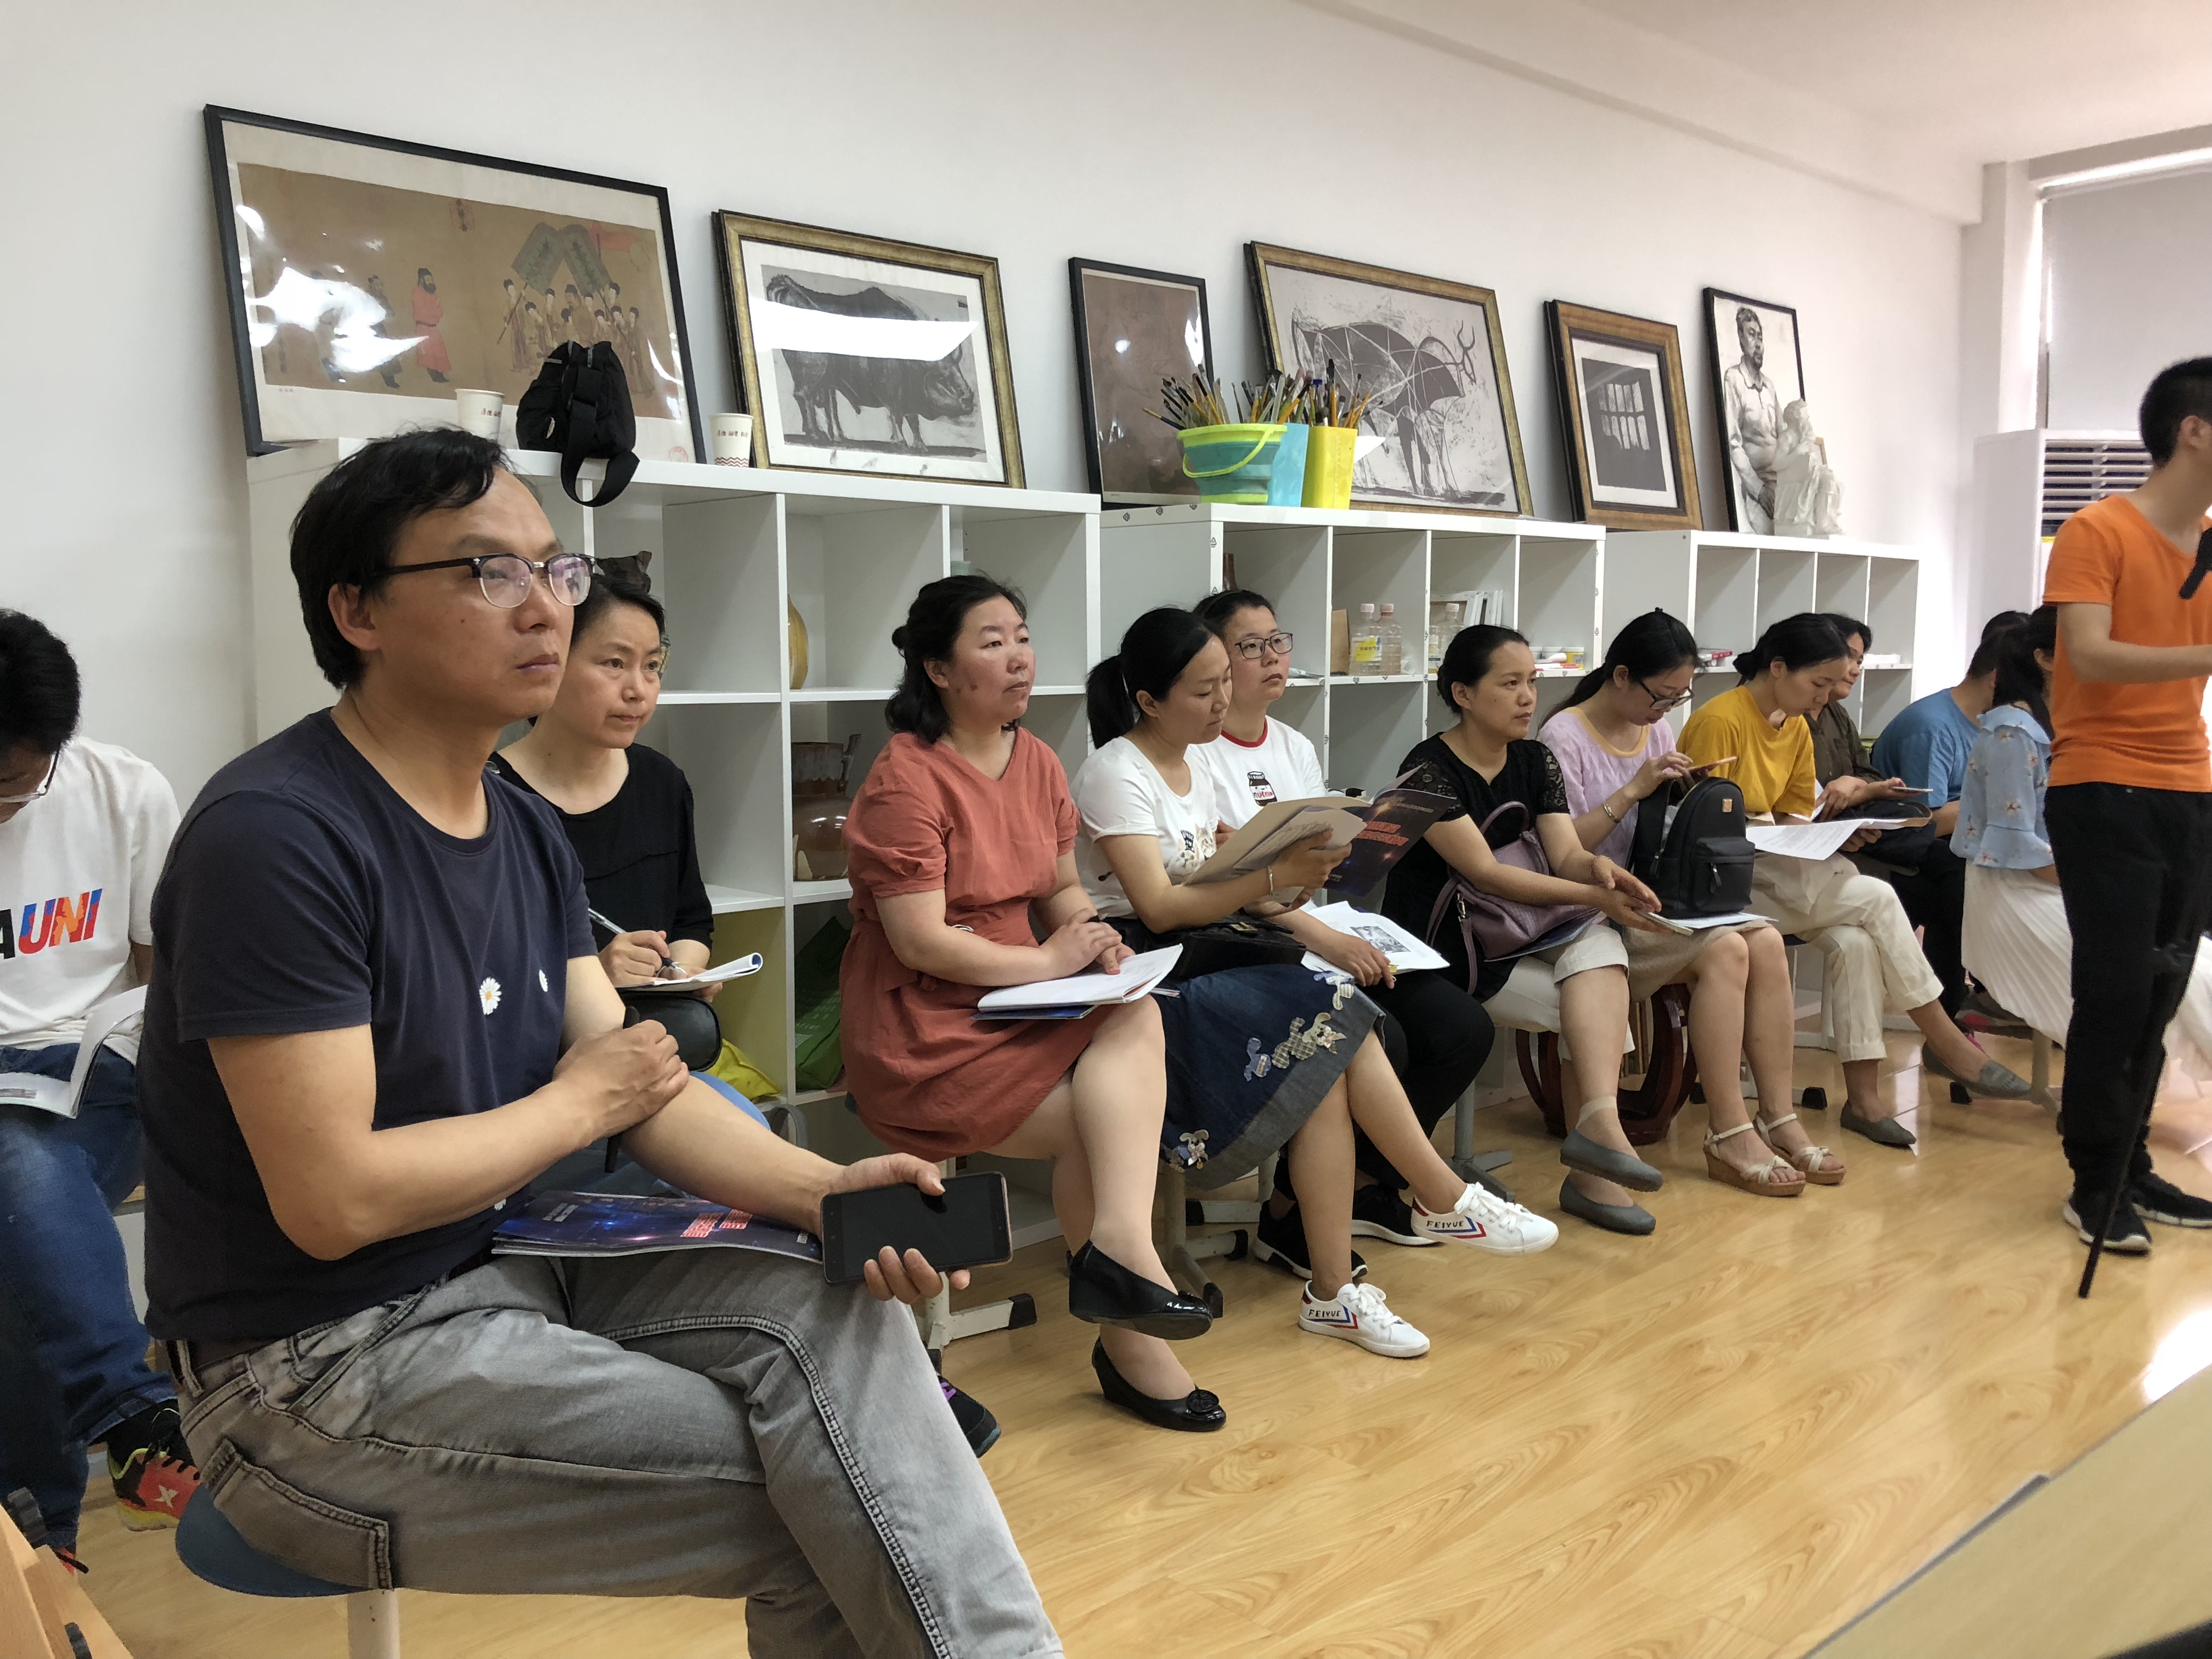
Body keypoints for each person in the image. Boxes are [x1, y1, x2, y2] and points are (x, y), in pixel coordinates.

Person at [138, 431, 1059, 1654]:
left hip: (510, 1258)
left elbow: (642, 1086)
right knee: (850, 1498)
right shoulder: (276, 836)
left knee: (843, 1303)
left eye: (554, 570)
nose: (545, 607)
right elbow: (336, 1199)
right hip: (313, 1368)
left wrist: (826, 1189)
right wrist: (578, 1103)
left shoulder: (517, 825)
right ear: (356, 610)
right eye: (490, 572)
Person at [1075, 607, 1552, 1359]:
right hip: (1147, 967)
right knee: (1335, 1012)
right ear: (1149, 702)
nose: (1222, 703)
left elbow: (1216, 881)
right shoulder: (1114, 771)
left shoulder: (1192, 763)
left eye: (1223, 684)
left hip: (1209, 946)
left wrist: (1289, 877)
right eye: (1204, 691)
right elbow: (1159, 907)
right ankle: (1439, 1196)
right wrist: (1269, 878)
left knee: (1326, 1059)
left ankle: (1336, 1291)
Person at [839, 575, 1221, 1432]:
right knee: (1101, 1123)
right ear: (938, 669)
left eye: (1022, 636)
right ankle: (1127, 1316)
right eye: (992, 642)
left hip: (1023, 998)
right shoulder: (905, 780)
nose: (1018, 657)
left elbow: (1057, 889)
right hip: (927, 1024)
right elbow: (920, 941)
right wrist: (1049, 959)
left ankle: (1122, 1261)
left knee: (1139, 1009)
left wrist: (1097, 941)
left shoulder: (1039, 759)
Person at [1189, 588, 1498, 1253]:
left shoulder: (1293, 743)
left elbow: (1317, 863)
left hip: (1321, 922)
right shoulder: (1194, 755)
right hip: (1258, 936)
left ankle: (1362, 1185)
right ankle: (1294, 1212)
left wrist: (1363, 847)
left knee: (1462, 1028)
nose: (1273, 657)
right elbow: (1222, 883)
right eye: (1251, 646)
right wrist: (1322, 930)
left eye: (1278, 641)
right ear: (1213, 660)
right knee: (1388, 1039)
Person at [1678, 615, 2030, 1149]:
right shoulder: (1720, 720)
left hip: (1776, 871)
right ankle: (1946, 1039)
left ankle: (1864, 1101)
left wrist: (1837, 833)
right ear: (1778, 668)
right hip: (1722, 882)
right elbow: (1707, 826)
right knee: (1878, 896)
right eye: (1818, 684)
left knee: (1857, 941)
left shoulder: (1795, 725)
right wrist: (1797, 837)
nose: (1824, 698)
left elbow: (1794, 817)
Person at [1381, 625, 1683, 1234]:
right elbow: (1486, 873)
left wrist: (1600, 872)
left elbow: (1566, 855)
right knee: (1594, 1004)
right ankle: (1594, 1163)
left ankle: (1598, 1132)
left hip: (1524, 931)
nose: (1528, 698)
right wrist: (1594, 895)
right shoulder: (1427, 770)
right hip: (1452, 949)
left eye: (1532, 683)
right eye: (1510, 684)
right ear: (1464, 694)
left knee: (1600, 950)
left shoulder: (1532, 758)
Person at [0, 611, 193, 1558]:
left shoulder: (124, 792)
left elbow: (168, 979)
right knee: (13, 1190)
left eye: (12, 784)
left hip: (91, 1078)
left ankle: (38, 1551)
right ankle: (130, 1422)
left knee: (20, 1168)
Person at [1540, 611, 1842, 1198]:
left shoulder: (1654, 730)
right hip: (1593, 907)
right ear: (1621, 676)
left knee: (1766, 941)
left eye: (1680, 698)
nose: (1666, 712)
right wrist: (1636, 789)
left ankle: (1776, 1115)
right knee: (1730, 949)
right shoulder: (1563, 737)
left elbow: (1660, 826)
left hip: (1660, 893)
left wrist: (1686, 792)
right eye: (1662, 696)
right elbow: (1565, 852)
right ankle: (1728, 1130)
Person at [2040, 357, 2212, 1252]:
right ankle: (2093, 1181)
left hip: (2191, 787)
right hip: (2103, 784)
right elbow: (2092, 653)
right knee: (2113, 991)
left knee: (2161, 993)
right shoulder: (2096, 528)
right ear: (2195, 430)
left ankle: (2130, 1163)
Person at [1956, 606, 2212, 1091]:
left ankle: (2124, 1089)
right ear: (2046, 658)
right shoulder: (2013, 732)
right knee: (2160, 969)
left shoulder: (2076, 721)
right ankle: (2113, 1094)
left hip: (2066, 880)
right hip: (2015, 895)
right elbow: (2019, 850)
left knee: (2188, 958)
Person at [1868, 611, 2031, 1017]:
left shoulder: (2000, 724)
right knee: (1966, 879)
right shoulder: (1932, 728)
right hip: (1907, 844)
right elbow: (1928, 822)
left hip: (1963, 840)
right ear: (1998, 679)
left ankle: (2014, 998)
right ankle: (1969, 1004)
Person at [1808, 615, 1918, 813]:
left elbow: (1869, 774)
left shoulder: (1837, 713)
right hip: (1807, 820)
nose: (1856, 671)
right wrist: (1865, 793)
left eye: (1859, 662)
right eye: (1849, 657)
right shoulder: (1787, 713)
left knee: (1912, 815)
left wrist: (1852, 782)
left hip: (1846, 815)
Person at [1723, 306, 1783, 534]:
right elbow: (1733, 444)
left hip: (1783, 488)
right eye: (1751, 335)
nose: (1758, 344)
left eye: (1760, 337)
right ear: (1740, 338)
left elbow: (1784, 435)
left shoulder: (1769, 386)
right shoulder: (1734, 380)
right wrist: (1759, 490)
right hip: (1759, 493)